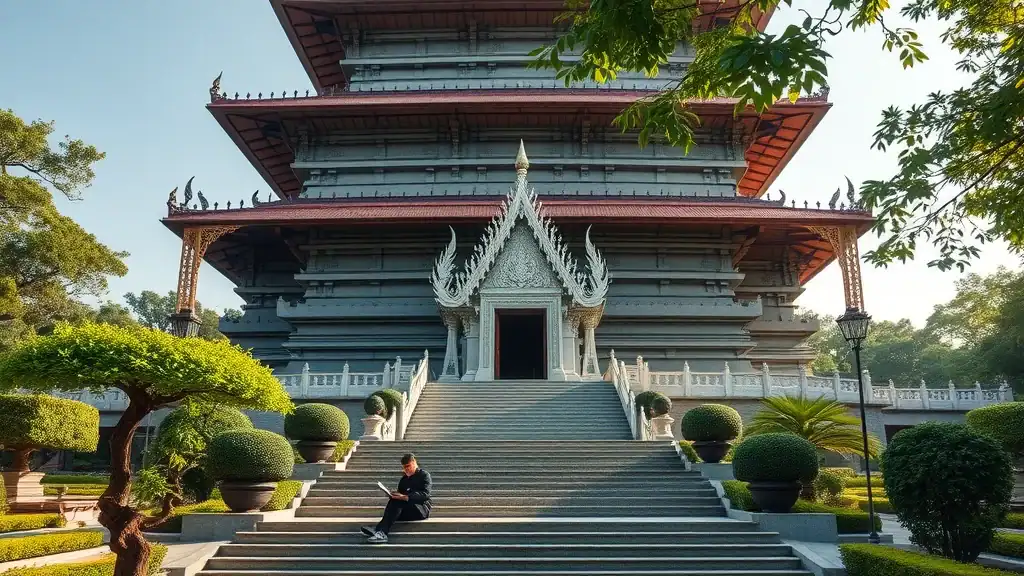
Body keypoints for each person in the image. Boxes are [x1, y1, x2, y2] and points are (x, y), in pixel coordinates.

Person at [362, 452, 432, 543]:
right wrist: (394, 495)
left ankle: (382, 532)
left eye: (408, 466)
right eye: (404, 467)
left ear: (414, 463)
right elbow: (400, 495)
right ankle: (379, 529)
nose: (406, 469)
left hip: (421, 509)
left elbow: (425, 494)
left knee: (397, 502)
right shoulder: (403, 480)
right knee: (394, 501)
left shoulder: (424, 476)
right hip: (407, 510)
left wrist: (406, 497)